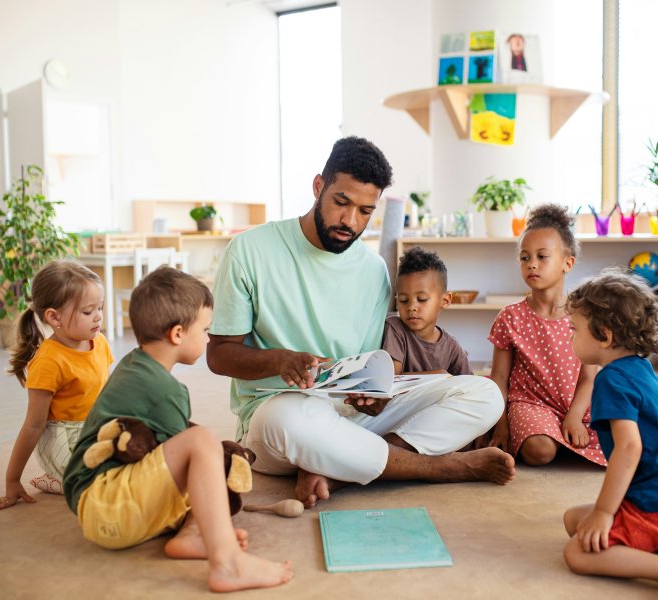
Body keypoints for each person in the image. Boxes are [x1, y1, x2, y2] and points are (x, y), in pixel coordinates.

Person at [207, 136, 514, 509]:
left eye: (365, 211)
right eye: (342, 203)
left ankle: (336, 470)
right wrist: (279, 360)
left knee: (483, 395)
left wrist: (373, 394)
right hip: (281, 413)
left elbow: (369, 364)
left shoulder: (372, 271)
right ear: (319, 186)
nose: (351, 222)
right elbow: (220, 355)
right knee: (287, 421)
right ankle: (438, 468)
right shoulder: (250, 251)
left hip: (349, 419)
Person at [62, 267, 292, 593]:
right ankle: (227, 563)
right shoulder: (163, 389)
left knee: (204, 457)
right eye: (206, 329)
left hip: (104, 506)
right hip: (105, 506)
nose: (209, 338)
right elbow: (184, 462)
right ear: (178, 334)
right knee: (201, 443)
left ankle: (193, 534)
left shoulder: (135, 366)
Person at [561, 268, 658, 600]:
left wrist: (605, 513)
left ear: (604, 336)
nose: (570, 337)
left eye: (574, 330)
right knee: (574, 519)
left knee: (576, 553)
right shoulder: (638, 369)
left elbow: (629, 447)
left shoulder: (610, 380)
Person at [482, 203, 606, 467]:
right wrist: (501, 426)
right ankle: (543, 436)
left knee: (627, 438)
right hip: (530, 404)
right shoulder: (510, 316)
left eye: (542, 256)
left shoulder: (584, 315)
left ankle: (562, 432)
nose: (532, 265)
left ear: (567, 263)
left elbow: (588, 379)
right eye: (525, 258)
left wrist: (573, 416)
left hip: (576, 404)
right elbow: (499, 377)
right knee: (541, 452)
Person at [0, 260, 112, 509]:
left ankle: (66, 478)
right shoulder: (48, 361)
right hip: (63, 439)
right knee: (109, 480)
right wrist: (12, 481)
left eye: (100, 307)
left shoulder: (99, 342)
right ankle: (59, 477)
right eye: (88, 311)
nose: (98, 316)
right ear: (54, 317)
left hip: (93, 426)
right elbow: (33, 426)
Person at [383, 246, 471, 376]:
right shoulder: (395, 329)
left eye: (422, 299)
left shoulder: (453, 347)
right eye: (403, 300)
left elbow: (469, 385)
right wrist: (438, 375)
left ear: (445, 300)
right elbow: (392, 380)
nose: (411, 306)